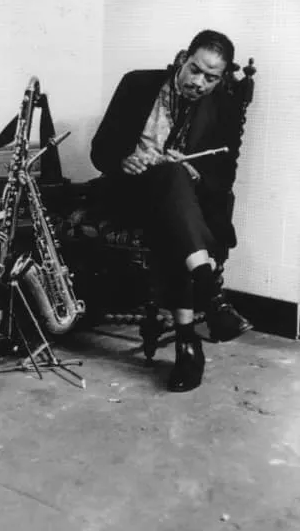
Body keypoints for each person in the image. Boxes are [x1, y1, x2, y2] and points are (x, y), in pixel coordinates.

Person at [90, 29, 252, 392]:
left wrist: (193, 174)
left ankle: (189, 335)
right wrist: (124, 159)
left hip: (181, 204)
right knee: (172, 202)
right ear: (182, 59)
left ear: (222, 79)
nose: (199, 83)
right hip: (128, 195)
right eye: (195, 70)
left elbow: (223, 177)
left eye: (211, 78)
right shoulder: (137, 84)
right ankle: (203, 308)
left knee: (173, 184)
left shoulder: (223, 108)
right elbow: (100, 151)